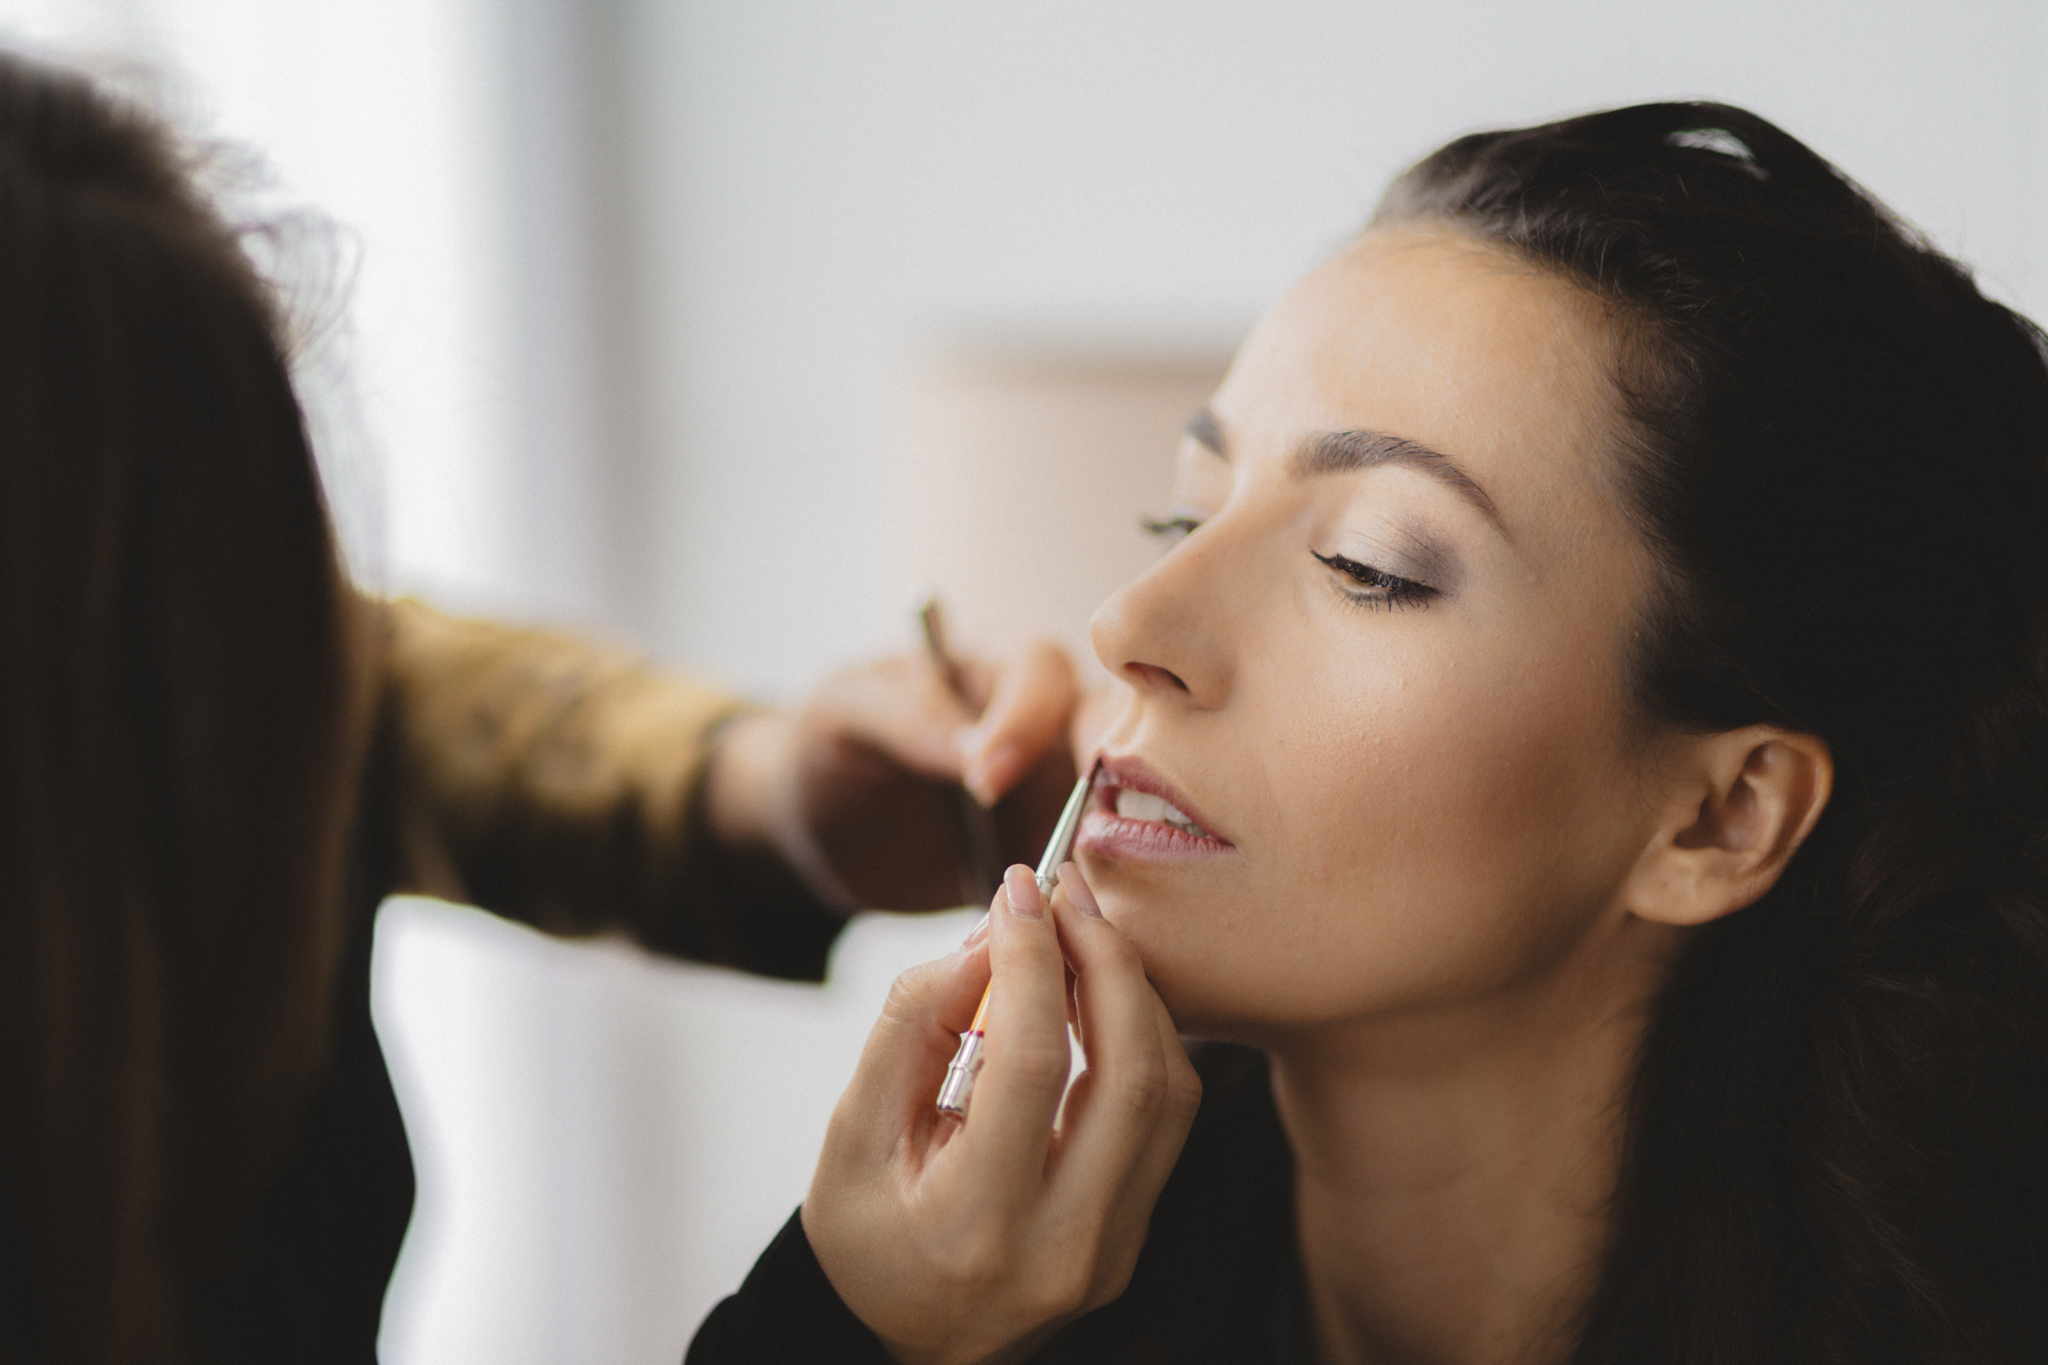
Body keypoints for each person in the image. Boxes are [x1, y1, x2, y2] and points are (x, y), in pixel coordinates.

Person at [689, 102, 2048, 1363]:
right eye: (1184, 514)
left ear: (1719, 815)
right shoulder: (995, 1305)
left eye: (1367, 564)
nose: (1128, 621)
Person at [0, 52, 1087, 1364]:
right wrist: (862, 1327)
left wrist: (774, 788)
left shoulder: (240, 670)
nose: (1126, 625)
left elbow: (430, 700)